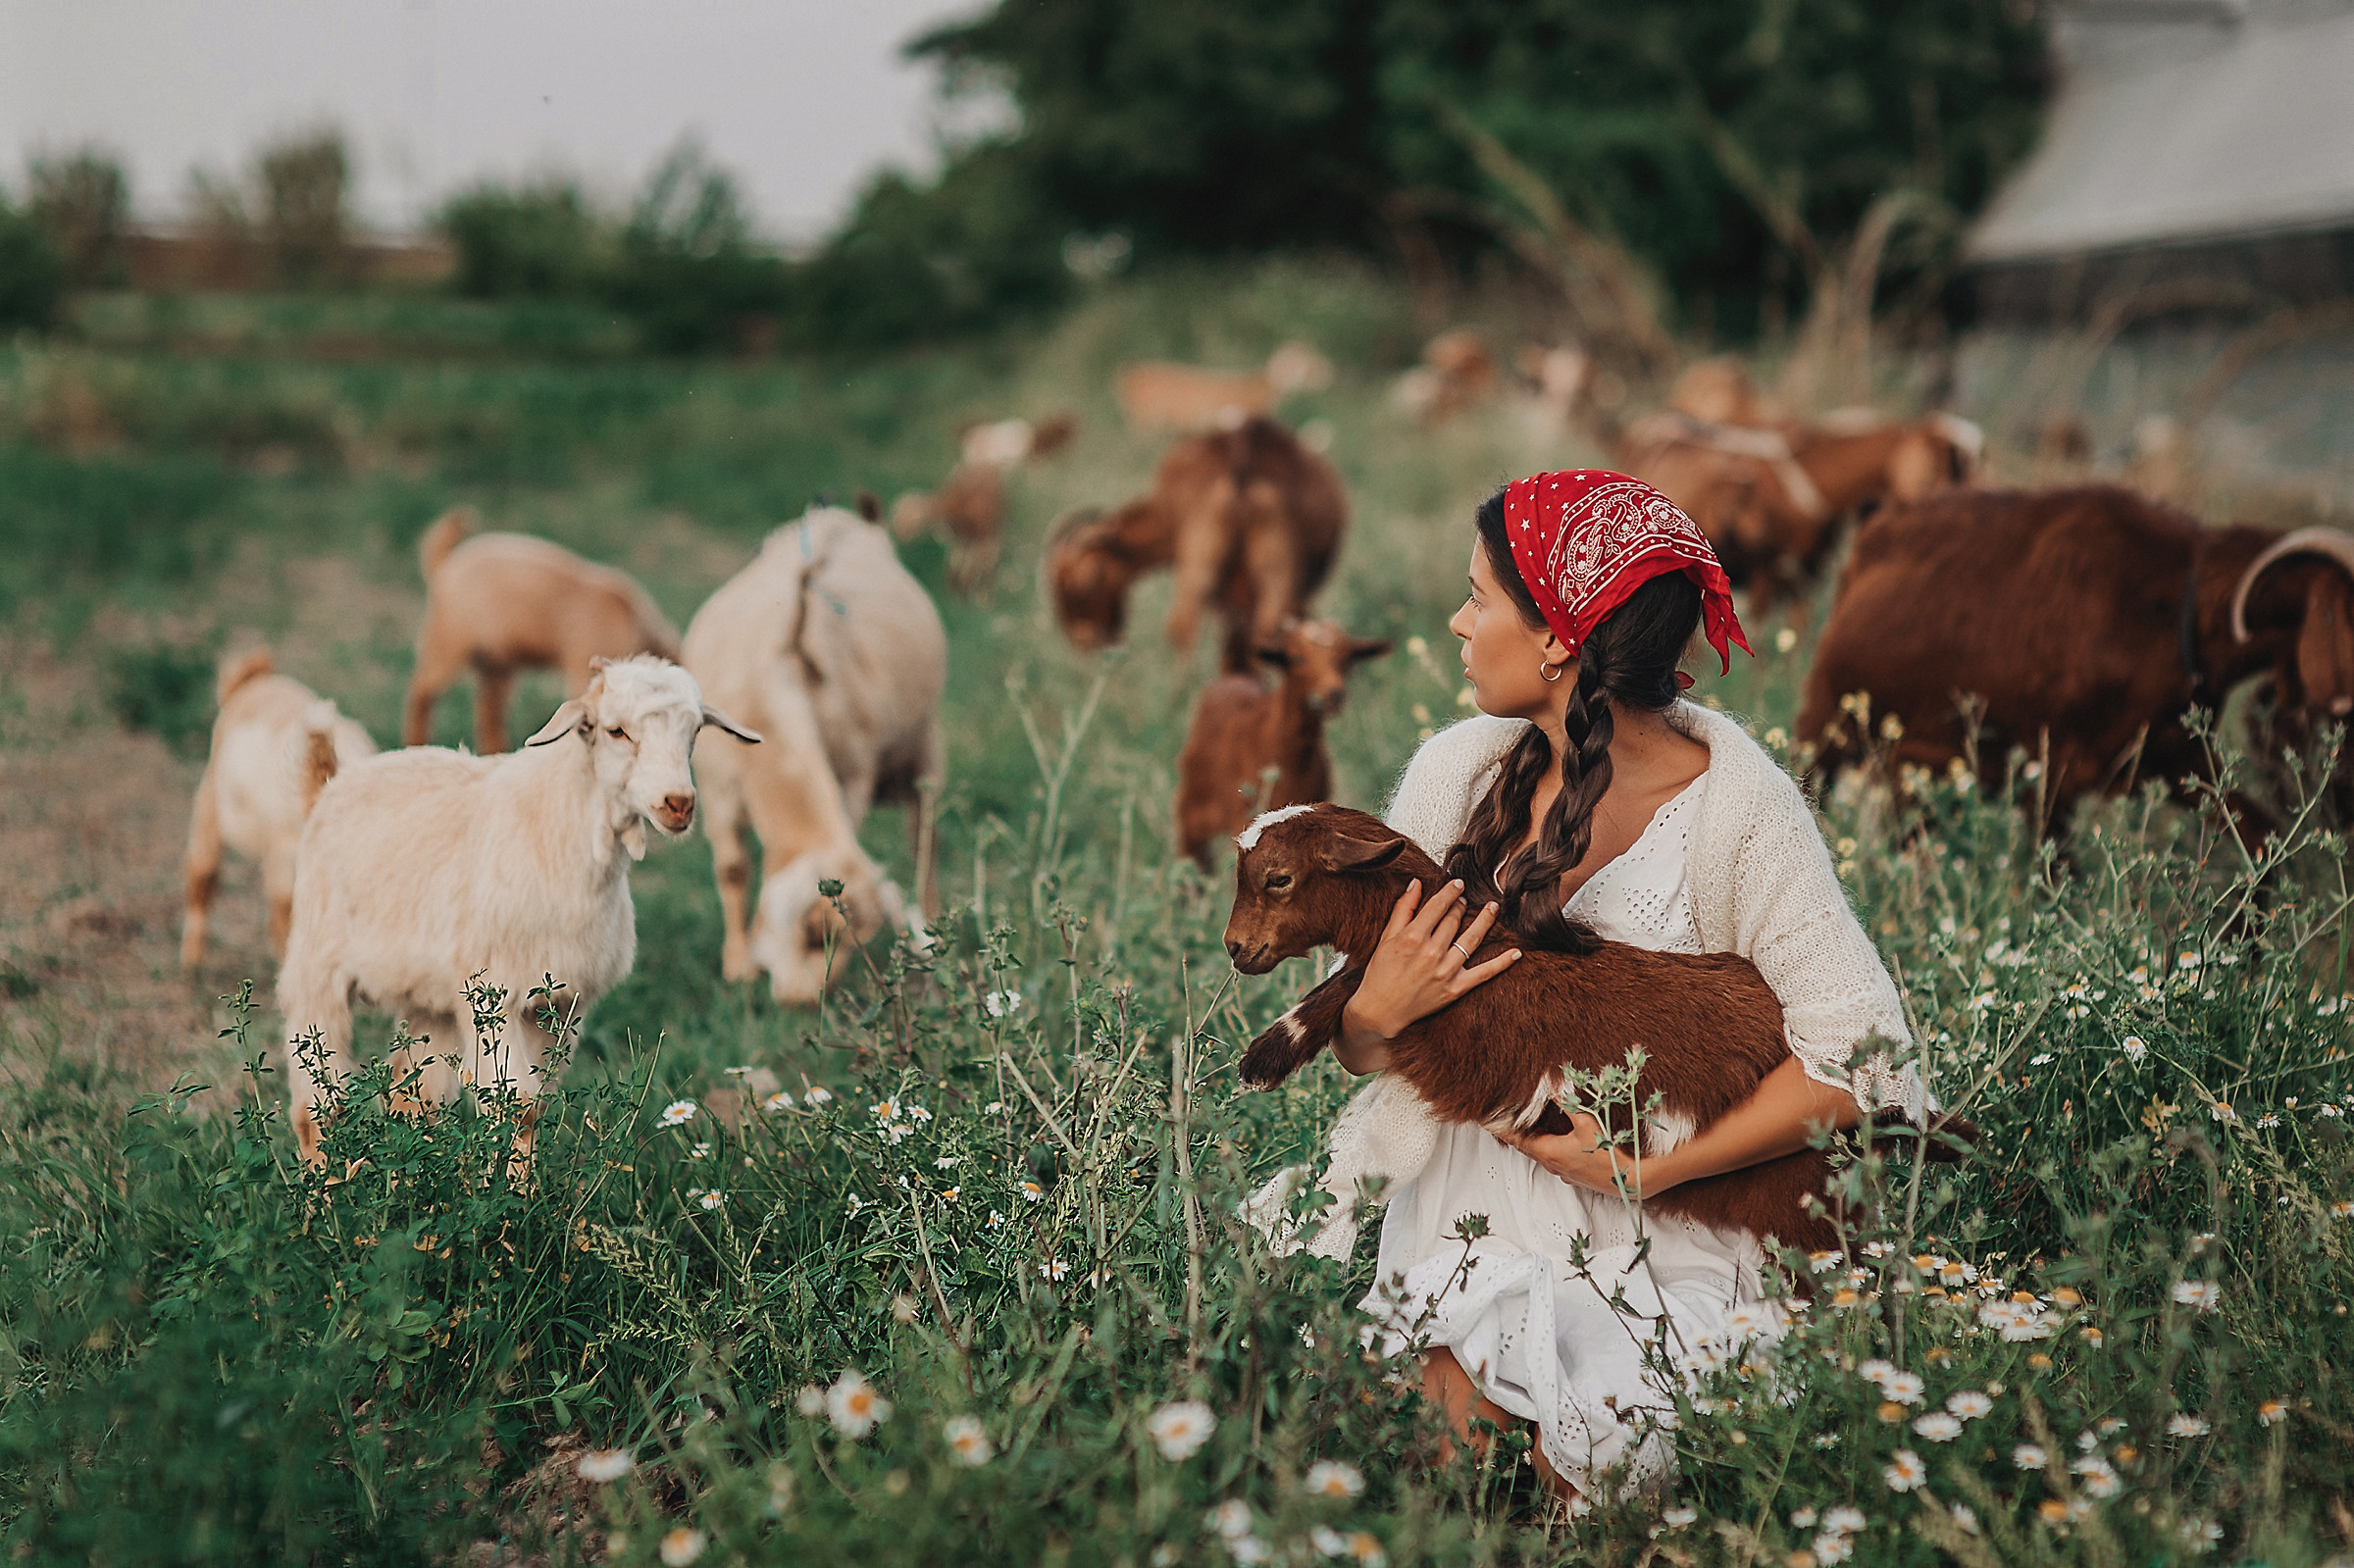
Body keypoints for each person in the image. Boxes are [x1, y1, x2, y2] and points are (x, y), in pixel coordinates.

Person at [1262, 470, 1931, 1499]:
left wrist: (1651, 1172)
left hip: (1665, 1239)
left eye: (1478, 596)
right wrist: (1376, 1015)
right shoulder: (1460, 772)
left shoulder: (1738, 810)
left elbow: (1863, 1063)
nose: (1454, 620)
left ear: (1557, 640)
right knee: (1440, 1474)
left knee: (1603, 1469)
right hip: (1467, 1218)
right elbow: (1377, 1043)